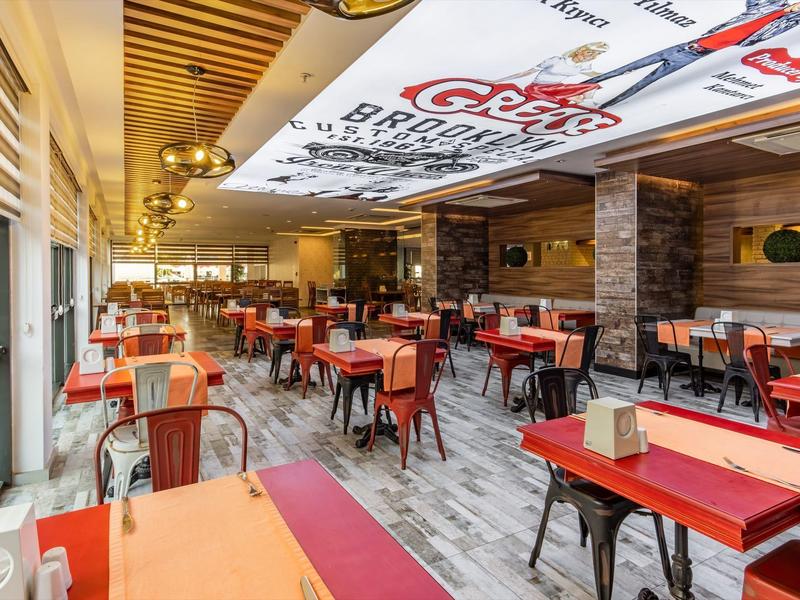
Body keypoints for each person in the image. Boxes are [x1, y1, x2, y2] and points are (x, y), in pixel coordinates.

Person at [586, 0, 800, 109]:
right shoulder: (769, 5)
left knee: (645, 82)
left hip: (696, 55)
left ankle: (606, 105)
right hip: (686, 46)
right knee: (624, 69)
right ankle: (578, 87)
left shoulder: (786, 22)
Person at [491, 42, 609, 104]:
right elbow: (526, 73)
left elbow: (594, 75)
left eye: (596, 54)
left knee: (591, 88)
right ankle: (571, 102)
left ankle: (587, 104)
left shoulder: (584, 65)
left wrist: (621, 72)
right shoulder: (556, 60)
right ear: (580, 51)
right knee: (576, 98)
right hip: (538, 88)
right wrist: (495, 81)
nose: (592, 57)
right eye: (590, 53)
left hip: (557, 87)